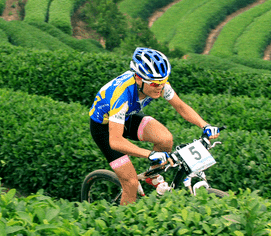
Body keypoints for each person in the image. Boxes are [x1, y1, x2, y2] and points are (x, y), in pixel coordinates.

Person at [89, 47, 222, 205]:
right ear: (139, 78)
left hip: (127, 117)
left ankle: (152, 176)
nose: (160, 87)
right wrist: (149, 154)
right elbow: (116, 141)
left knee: (165, 139)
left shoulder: (159, 84)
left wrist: (205, 125)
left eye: (163, 81)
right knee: (130, 184)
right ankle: (122, 223)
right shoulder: (120, 95)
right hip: (104, 128)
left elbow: (180, 106)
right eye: (154, 84)